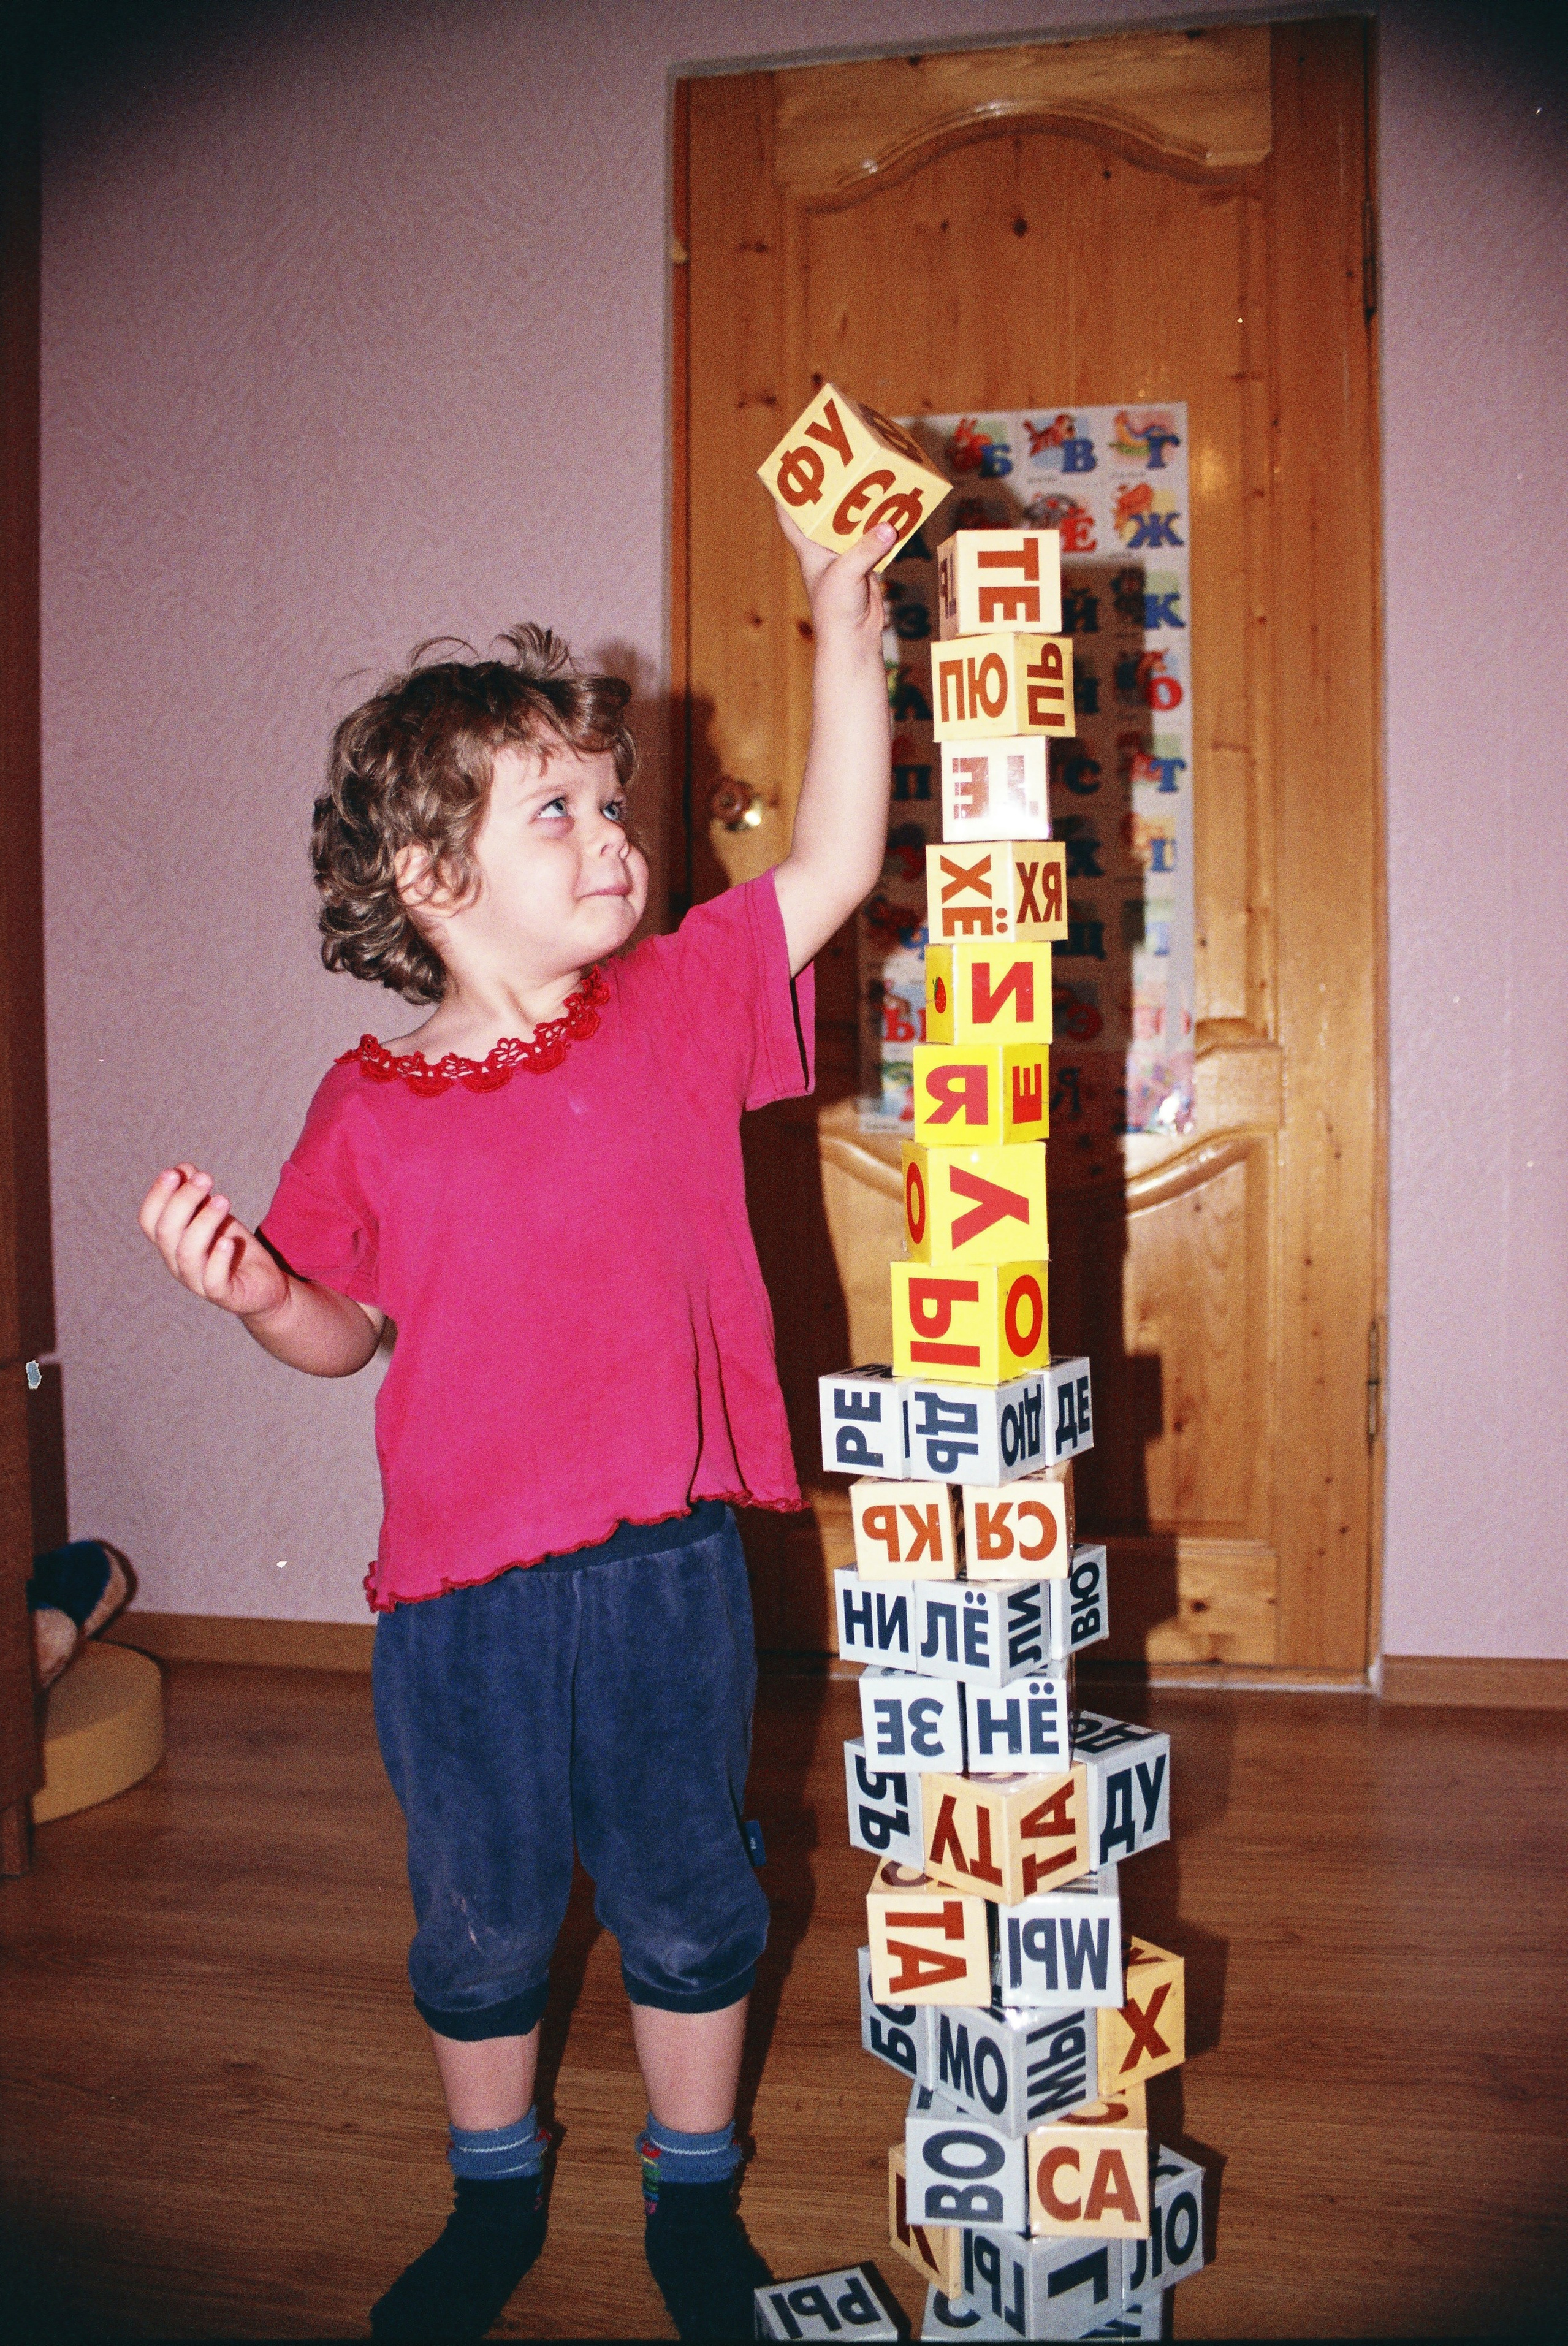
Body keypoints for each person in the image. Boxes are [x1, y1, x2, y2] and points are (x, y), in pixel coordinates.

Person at [137, 508, 897, 2340]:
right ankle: (492, 2200)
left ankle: (691, 2201)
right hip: (462, 1605)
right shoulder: (369, 1108)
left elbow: (841, 855)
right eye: (552, 808)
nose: (611, 835)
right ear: (427, 873)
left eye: (610, 802)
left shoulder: (679, 1005)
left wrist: (836, 619)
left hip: (668, 1565)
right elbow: (346, 1330)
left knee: (694, 1892)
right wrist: (260, 1297)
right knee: (481, 1919)